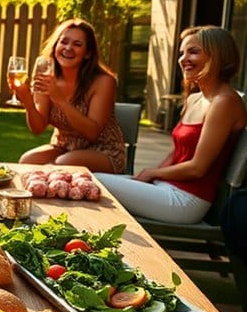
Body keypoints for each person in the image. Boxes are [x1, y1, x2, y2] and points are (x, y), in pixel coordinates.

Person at [96, 26, 246, 224]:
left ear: (217, 55)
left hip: (187, 200)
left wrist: (152, 173)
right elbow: (175, 154)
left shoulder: (224, 102)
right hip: (165, 187)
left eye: (193, 52)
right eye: (182, 53)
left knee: (94, 182)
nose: (183, 59)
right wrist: (150, 179)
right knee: (84, 181)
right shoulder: (194, 99)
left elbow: (197, 168)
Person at [13, 18, 127, 173]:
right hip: (63, 146)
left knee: (63, 164)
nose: (68, 48)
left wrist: (60, 100)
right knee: (27, 161)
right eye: (64, 42)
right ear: (55, 46)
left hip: (103, 150)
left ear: (87, 53)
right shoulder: (46, 74)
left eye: (77, 44)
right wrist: (28, 102)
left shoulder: (104, 81)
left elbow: (92, 132)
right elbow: (38, 128)